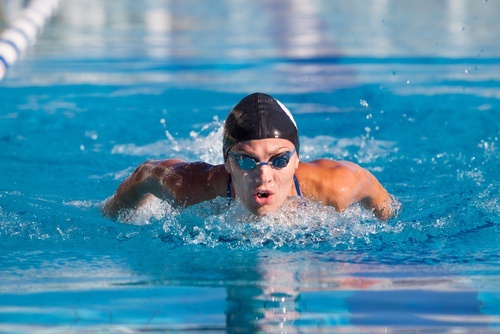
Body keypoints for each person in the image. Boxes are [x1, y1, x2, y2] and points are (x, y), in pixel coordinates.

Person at [103, 93, 398, 221]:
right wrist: (112, 215)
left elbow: (383, 204)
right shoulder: (191, 187)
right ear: (227, 164)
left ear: (298, 160)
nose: (263, 174)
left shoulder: (337, 186)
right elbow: (145, 175)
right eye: (246, 160)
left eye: (280, 159)